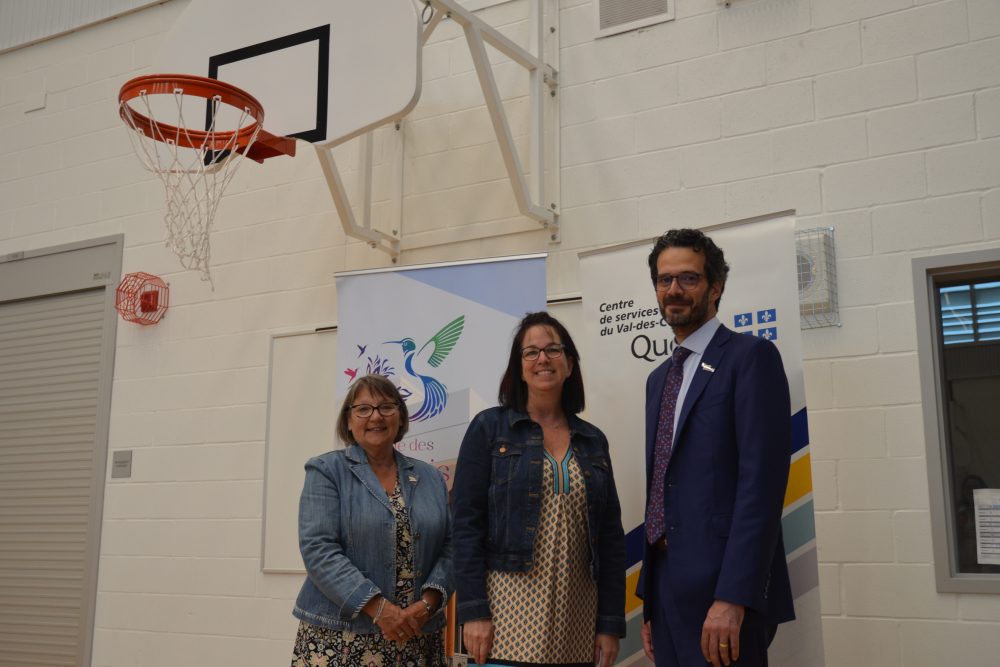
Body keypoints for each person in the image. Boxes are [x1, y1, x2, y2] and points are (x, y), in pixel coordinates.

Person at [638, 229, 795, 667]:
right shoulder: (658, 380)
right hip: (665, 588)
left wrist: (733, 597)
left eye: (688, 278)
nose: (674, 289)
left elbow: (761, 487)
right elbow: (662, 485)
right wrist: (650, 602)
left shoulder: (750, 358)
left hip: (721, 592)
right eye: (664, 279)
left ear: (715, 287)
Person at [452, 311, 626, 667]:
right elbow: (466, 525)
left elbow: (610, 539)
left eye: (553, 350)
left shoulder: (593, 440)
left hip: (577, 623)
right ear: (519, 368)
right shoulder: (489, 429)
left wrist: (609, 624)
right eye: (531, 352)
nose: (542, 358)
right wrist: (474, 611)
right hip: (503, 620)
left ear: (570, 364)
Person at [291, 374, 452, 667]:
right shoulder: (326, 470)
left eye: (386, 407)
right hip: (340, 639)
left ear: (400, 418)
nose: (376, 416)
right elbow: (318, 549)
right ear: (348, 421)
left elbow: (451, 548)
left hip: (416, 634)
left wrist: (427, 606)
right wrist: (379, 609)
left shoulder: (430, 477)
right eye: (363, 409)